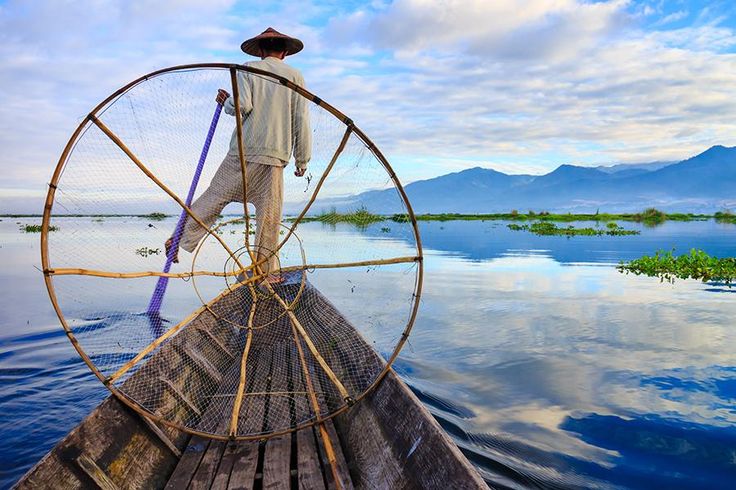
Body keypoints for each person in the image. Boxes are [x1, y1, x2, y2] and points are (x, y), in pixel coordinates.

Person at [166, 27, 311, 285]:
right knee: (269, 215)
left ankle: (179, 238)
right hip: (275, 155)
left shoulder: (248, 68)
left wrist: (227, 102)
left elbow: (241, 106)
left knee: (215, 196)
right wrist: (302, 160)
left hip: (244, 150)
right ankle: (265, 272)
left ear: (261, 51)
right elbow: (301, 118)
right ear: (285, 53)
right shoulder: (295, 76)